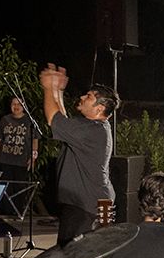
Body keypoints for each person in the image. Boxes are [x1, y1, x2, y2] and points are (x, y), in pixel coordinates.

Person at [39, 63, 117, 246]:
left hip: (83, 205)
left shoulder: (91, 130)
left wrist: (48, 87)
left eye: (88, 97)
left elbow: (53, 119)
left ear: (99, 109)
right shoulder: (96, 128)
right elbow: (63, 121)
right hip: (99, 200)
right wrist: (57, 90)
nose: (82, 97)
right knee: (96, 255)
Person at [0, 96, 38, 185]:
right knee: (5, 189)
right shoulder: (4, 120)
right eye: (14, 104)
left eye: (19, 104)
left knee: (19, 190)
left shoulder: (30, 121)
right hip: (5, 161)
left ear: (24, 106)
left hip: (21, 162)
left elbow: (35, 140)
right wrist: (0, 152)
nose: (16, 106)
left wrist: (33, 158)